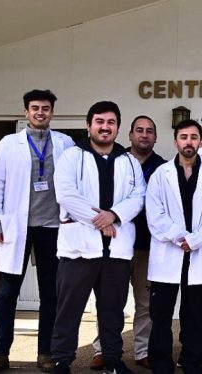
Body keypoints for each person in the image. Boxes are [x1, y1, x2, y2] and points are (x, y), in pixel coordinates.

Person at [0, 89, 75, 374]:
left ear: (52, 113)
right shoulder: (9, 144)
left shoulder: (65, 143)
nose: (40, 112)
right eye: (34, 108)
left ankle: (46, 353)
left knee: (51, 293)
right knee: (7, 293)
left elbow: (74, 184)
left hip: (52, 227)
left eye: (45, 108)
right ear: (26, 112)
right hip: (17, 227)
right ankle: (0, 354)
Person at [50, 101, 145, 374]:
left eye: (111, 122)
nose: (105, 127)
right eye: (100, 122)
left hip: (115, 251)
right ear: (89, 125)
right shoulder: (72, 156)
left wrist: (113, 215)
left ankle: (112, 360)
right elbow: (66, 195)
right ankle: (61, 360)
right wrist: (100, 221)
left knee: (113, 311)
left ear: (118, 127)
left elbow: (138, 197)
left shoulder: (129, 161)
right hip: (79, 249)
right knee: (70, 309)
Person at [146, 119, 202, 374]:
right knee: (160, 316)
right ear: (175, 141)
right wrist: (179, 237)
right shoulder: (161, 174)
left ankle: (192, 364)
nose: (189, 142)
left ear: (200, 142)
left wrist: (195, 239)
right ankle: (161, 365)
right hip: (168, 253)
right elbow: (154, 214)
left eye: (194, 137)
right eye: (184, 137)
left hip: (199, 253)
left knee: (194, 317)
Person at [91, 115, 166, 370]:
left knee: (145, 303)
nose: (144, 135)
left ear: (155, 137)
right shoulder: (114, 161)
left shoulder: (163, 168)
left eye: (149, 131)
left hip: (148, 246)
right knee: (110, 300)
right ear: (130, 135)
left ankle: (142, 351)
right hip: (117, 243)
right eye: (139, 130)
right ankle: (102, 349)